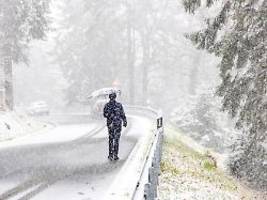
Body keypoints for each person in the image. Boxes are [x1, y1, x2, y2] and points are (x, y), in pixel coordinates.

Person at [103, 92, 127, 161]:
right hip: (113, 124)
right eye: (111, 97)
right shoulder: (109, 105)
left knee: (114, 139)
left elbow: (122, 114)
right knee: (113, 139)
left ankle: (113, 154)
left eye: (113, 97)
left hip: (116, 125)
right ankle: (113, 154)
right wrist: (110, 115)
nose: (112, 99)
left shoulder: (116, 105)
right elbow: (105, 114)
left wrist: (124, 120)